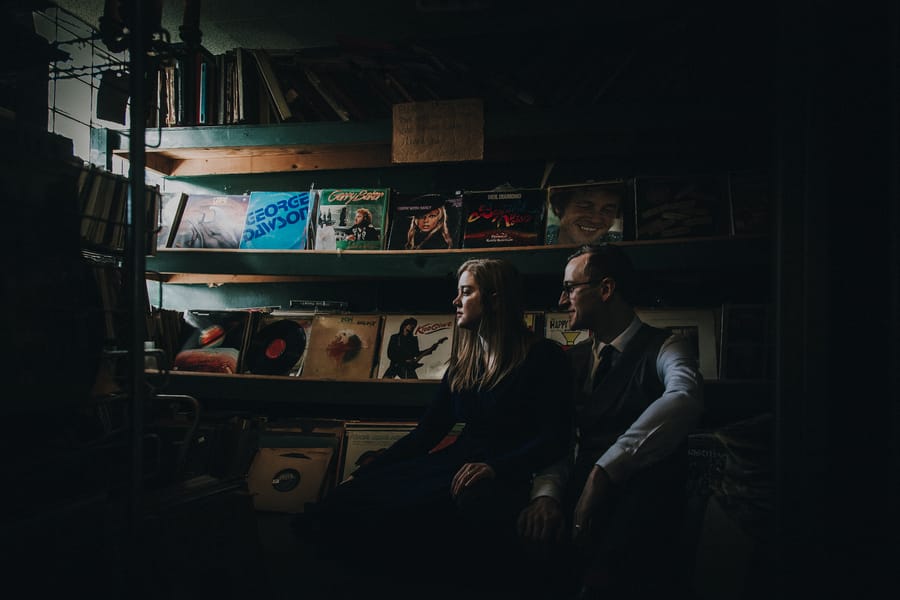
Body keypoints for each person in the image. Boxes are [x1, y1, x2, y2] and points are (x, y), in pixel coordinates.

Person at [299, 258, 575, 599]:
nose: (455, 302)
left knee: (392, 519)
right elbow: (427, 433)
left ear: (496, 298)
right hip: (455, 461)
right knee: (346, 500)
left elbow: (555, 437)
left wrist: (497, 467)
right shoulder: (466, 359)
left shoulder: (543, 357)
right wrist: (369, 471)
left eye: (465, 293)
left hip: (502, 470)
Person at [517, 243, 703, 600]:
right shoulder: (570, 360)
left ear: (605, 289)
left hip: (642, 503)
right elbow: (558, 436)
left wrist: (605, 471)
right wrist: (547, 495)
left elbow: (684, 397)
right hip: (575, 495)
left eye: (570, 288)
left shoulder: (666, 346)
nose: (561, 300)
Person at [546, 183, 625, 246]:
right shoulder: (538, 241)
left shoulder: (623, 243)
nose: (596, 219)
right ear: (558, 207)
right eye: (585, 206)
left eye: (608, 210)